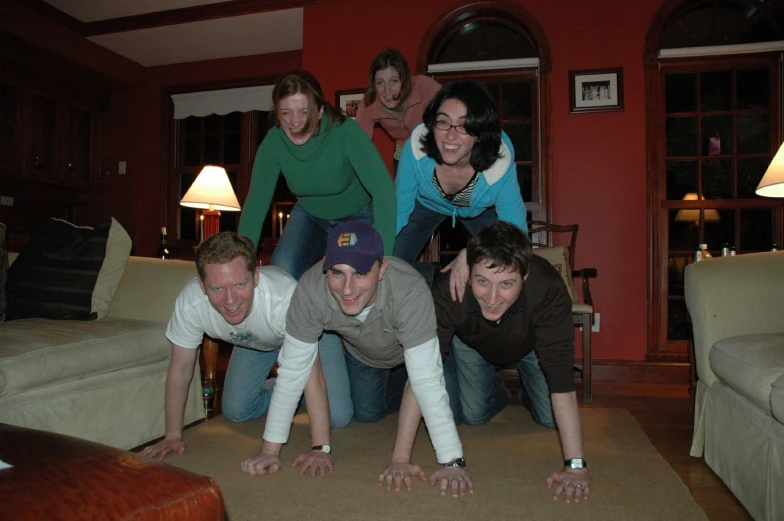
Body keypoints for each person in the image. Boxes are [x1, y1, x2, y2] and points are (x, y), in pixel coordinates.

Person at [240, 221, 473, 497]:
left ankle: (455, 366)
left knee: (453, 408)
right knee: (367, 413)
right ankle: (404, 382)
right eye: (337, 273)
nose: (347, 289)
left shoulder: (410, 290)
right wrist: (270, 450)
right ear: (326, 265)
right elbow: (292, 371)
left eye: (361, 273)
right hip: (366, 356)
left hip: (413, 343)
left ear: (382, 269)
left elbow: (425, 380)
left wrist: (450, 461)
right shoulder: (311, 290)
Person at [141, 232, 352, 462]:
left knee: (338, 415)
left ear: (256, 277)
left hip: (309, 331)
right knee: (236, 410)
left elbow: (311, 375)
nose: (230, 300)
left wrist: (319, 448)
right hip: (253, 340)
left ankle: (323, 379)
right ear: (202, 285)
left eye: (240, 284)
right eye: (217, 289)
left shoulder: (285, 299)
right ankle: (294, 394)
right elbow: (180, 369)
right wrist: (172, 434)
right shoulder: (190, 303)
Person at [433, 221, 591, 503]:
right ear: (469, 273)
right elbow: (424, 370)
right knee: (474, 416)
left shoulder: (549, 289)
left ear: (526, 276)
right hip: (473, 343)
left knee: (548, 417)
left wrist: (575, 466)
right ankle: (500, 390)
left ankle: (530, 388)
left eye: (506, 283)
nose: (493, 298)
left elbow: (563, 382)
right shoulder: (451, 286)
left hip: (529, 345)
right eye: (483, 281)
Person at [238, 70, 396, 280]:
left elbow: (384, 191)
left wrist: (383, 257)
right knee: (281, 271)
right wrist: (241, 262)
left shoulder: (345, 132)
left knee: (357, 276)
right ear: (277, 113)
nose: (295, 122)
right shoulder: (273, 142)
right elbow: (257, 202)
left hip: (358, 214)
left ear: (320, 110)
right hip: (310, 214)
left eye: (304, 111)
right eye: (286, 113)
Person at [393, 79, 528, 296]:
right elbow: (397, 212)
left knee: (501, 264)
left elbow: (516, 234)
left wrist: (473, 252)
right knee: (388, 262)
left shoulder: (499, 163)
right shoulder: (416, 150)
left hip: (480, 210)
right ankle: (433, 277)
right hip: (425, 204)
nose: (451, 135)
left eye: (465, 125)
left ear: (480, 133)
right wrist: (368, 253)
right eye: (443, 122)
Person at [354, 48, 441, 172]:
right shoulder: (369, 103)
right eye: (380, 83)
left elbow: (453, 107)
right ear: (374, 86)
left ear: (404, 79)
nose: (387, 90)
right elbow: (361, 145)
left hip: (432, 147)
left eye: (394, 81)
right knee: (402, 190)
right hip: (403, 151)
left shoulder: (423, 86)